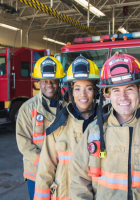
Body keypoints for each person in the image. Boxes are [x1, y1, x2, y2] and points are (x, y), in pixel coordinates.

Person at [69, 52, 140, 200]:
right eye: (116, 90)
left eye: (129, 89)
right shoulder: (93, 131)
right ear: (107, 95)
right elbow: (78, 181)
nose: (123, 97)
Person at [33, 55, 100, 200]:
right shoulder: (58, 126)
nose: (82, 94)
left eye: (88, 88)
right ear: (71, 92)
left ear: (95, 91)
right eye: (77, 89)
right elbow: (45, 171)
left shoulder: (106, 125)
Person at [16, 56, 66, 200]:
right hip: (36, 172)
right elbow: (23, 142)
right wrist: (44, 163)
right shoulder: (27, 108)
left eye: (53, 81)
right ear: (38, 82)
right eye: (45, 81)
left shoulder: (68, 106)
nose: (49, 85)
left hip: (62, 171)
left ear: (59, 81)